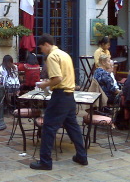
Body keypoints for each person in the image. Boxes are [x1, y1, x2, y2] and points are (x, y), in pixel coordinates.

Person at [30, 33, 87, 171]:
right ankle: (82, 156)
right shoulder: (65, 54)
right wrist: (50, 82)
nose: (41, 51)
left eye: (41, 48)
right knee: (73, 127)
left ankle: (45, 162)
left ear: (46, 44)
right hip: (69, 96)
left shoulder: (52, 56)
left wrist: (44, 84)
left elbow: (58, 78)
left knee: (48, 127)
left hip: (60, 96)